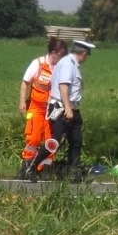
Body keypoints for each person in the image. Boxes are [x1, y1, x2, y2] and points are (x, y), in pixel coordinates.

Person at [25, 39, 95, 183]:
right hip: (62, 109)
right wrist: (68, 108)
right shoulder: (68, 64)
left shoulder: (72, 64)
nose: (86, 58)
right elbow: (64, 86)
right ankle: (32, 167)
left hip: (73, 109)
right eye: (87, 55)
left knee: (76, 142)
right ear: (83, 53)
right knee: (54, 142)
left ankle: (74, 173)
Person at [16, 37, 68, 180]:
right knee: (33, 138)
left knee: (50, 140)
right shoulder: (37, 64)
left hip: (52, 109)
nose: (62, 58)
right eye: (61, 55)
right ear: (54, 53)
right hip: (36, 107)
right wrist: (22, 102)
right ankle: (25, 167)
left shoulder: (60, 67)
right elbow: (25, 83)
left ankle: (43, 169)